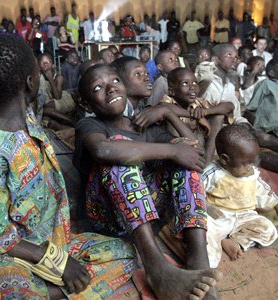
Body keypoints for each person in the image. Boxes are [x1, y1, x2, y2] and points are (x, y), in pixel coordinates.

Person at [0, 33, 137, 299]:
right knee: (9, 289)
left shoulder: (25, 117)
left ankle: (53, 289)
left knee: (127, 253)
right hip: (17, 252)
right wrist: (56, 262)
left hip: (56, 237)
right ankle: (55, 289)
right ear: (31, 82)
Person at [74, 64, 222, 299]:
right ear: (86, 104)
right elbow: (103, 149)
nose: (111, 90)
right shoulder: (90, 125)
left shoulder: (143, 126)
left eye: (114, 81)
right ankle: (157, 269)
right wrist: (171, 151)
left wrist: (168, 113)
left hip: (149, 214)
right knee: (120, 152)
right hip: (108, 217)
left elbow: (195, 154)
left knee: (180, 153)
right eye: (98, 88)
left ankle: (198, 258)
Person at [203, 125, 278, 266]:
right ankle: (209, 260)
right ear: (225, 159)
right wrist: (209, 209)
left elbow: (262, 189)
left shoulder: (252, 173)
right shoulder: (213, 173)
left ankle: (236, 242)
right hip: (220, 218)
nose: (251, 167)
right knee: (204, 230)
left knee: (269, 230)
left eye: (253, 162)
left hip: (245, 216)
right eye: (246, 163)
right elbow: (195, 191)